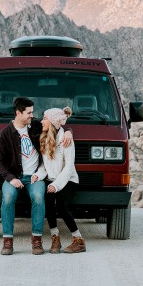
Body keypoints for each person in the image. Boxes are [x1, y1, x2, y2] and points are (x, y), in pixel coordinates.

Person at [0, 97, 73, 255]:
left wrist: (70, 131)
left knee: (38, 196)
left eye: (32, 112)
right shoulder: (4, 134)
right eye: (29, 112)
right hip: (14, 176)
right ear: (18, 113)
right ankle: (8, 241)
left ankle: (37, 239)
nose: (32, 115)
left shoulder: (35, 126)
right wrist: (11, 179)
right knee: (8, 197)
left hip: (35, 176)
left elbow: (56, 125)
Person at [31, 106, 86, 254]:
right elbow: (45, 165)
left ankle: (78, 240)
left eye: (45, 119)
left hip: (68, 180)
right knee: (48, 203)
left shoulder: (65, 139)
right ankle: (55, 238)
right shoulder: (44, 137)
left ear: (53, 122)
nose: (42, 121)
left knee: (61, 206)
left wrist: (56, 185)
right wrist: (38, 174)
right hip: (53, 180)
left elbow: (68, 167)